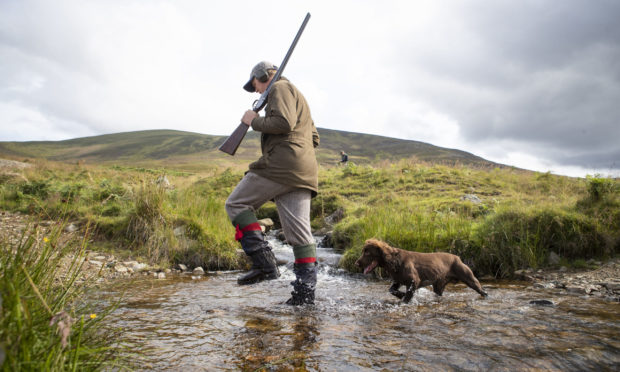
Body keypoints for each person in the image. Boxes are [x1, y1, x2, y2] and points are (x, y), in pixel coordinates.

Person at [225, 61, 320, 305]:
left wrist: (252, 120)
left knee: (236, 204)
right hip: (303, 172)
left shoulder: (279, 87)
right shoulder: (298, 96)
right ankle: (304, 296)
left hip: (281, 166)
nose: (255, 90)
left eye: (254, 84)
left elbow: (284, 124)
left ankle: (265, 266)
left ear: (263, 76)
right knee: (300, 236)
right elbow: (315, 138)